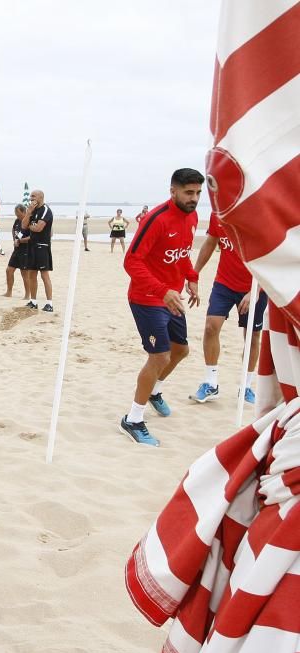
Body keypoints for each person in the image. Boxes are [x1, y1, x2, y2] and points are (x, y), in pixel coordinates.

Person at [119, 168, 203, 446]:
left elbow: (182, 254)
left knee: (181, 351)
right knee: (159, 357)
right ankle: (132, 420)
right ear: (173, 191)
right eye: (189, 192)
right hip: (147, 298)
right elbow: (131, 261)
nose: (194, 198)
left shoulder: (192, 216)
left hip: (172, 296)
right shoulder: (156, 219)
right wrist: (162, 290)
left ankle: (154, 392)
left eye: (198, 193)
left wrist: (191, 278)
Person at [189, 212, 267, 404]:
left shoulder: (258, 212)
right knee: (210, 327)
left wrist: (254, 290)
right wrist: (194, 274)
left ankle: (246, 387)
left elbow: (269, 256)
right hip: (224, 283)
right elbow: (210, 243)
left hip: (255, 286)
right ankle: (211, 383)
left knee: (252, 336)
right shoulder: (219, 213)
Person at [21, 190, 53, 312]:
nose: (31, 198)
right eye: (30, 196)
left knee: (44, 275)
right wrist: (28, 213)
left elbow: (39, 228)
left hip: (42, 246)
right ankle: (33, 301)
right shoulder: (32, 210)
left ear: (40, 197)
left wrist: (30, 226)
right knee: (31, 275)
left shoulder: (45, 210)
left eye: (33, 196)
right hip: (31, 245)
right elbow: (24, 226)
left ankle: (49, 303)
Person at [4, 204, 31, 298]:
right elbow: (13, 229)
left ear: (24, 212)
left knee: (24, 273)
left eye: (19, 214)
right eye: (16, 214)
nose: (17, 216)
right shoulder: (17, 221)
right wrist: (14, 239)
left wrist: (20, 241)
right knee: (9, 270)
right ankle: (9, 292)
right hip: (16, 250)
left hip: (26, 250)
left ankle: (27, 295)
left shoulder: (28, 221)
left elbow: (32, 237)